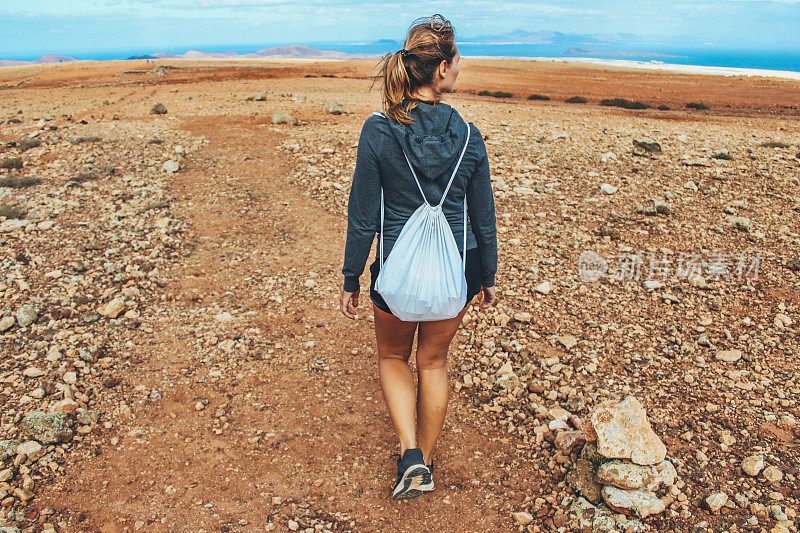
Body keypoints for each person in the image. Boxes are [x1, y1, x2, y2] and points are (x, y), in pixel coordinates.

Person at [339, 14, 498, 501]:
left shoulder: (380, 130)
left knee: (392, 354)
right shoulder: (469, 135)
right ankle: (424, 462)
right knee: (433, 362)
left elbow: (363, 215)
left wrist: (351, 276)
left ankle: (410, 453)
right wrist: (487, 273)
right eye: (459, 60)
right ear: (443, 68)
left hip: (395, 270)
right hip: (457, 270)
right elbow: (483, 216)